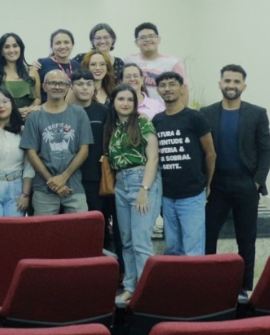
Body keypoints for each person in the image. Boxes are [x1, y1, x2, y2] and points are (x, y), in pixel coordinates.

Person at [202, 65, 270, 294]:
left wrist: (258, 181)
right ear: (220, 83)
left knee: (246, 240)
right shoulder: (206, 112)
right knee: (207, 237)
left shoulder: (257, 113)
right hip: (216, 185)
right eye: (227, 80)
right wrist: (205, 183)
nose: (231, 85)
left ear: (244, 86)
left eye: (236, 81)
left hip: (246, 184)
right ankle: (208, 286)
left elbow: (265, 150)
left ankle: (244, 289)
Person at [104, 84, 160, 303]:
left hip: (141, 181)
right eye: (121, 99)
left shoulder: (143, 122)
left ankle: (147, 292)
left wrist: (144, 190)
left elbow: (153, 158)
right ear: (113, 102)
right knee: (126, 241)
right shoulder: (113, 126)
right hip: (120, 183)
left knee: (140, 241)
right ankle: (130, 287)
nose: (125, 103)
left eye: (129, 99)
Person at [153, 71, 215, 257]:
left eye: (172, 84)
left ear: (181, 89)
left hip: (192, 195)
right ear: (158, 90)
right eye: (163, 85)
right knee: (173, 248)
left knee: (193, 249)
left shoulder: (195, 117)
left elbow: (210, 153)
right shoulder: (157, 120)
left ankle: (195, 286)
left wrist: (208, 185)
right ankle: (177, 286)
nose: (167, 89)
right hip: (167, 195)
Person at [21, 69, 92, 215]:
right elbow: (31, 152)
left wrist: (63, 178)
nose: (57, 87)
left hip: (74, 186)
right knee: (43, 235)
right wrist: (51, 181)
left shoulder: (79, 113)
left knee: (81, 232)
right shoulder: (34, 116)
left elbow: (84, 150)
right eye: (52, 83)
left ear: (68, 87)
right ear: (44, 86)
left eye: (61, 83)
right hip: (43, 188)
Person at [0, 87, 32, 217]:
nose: (1, 106)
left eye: (5, 101)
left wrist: (25, 194)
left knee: (14, 234)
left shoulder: (23, 131)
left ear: (12, 103)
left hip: (16, 188)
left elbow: (29, 166)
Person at [124, 22, 189, 105]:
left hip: (163, 113)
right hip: (134, 111)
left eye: (151, 36)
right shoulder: (128, 61)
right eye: (143, 37)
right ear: (136, 42)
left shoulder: (173, 63)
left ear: (158, 39)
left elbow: (183, 93)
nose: (147, 40)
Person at [0, 33, 40, 118]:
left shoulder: (32, 71)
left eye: (15, 46)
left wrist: (29, 109)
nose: (11, 50)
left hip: (29, 119)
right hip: (4, 123)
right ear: (1, 51)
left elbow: (38, 98)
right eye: (7, 47)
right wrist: (17, 112)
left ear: (21, 49)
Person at [36, 29, 80, 103]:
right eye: (58, 43)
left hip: (72, 110)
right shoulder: (41, 64)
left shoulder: (77, 65)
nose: (62, 46)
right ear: (51, 46)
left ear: (72, 45)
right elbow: (36, 96)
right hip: (48, 110)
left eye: (66, 42)